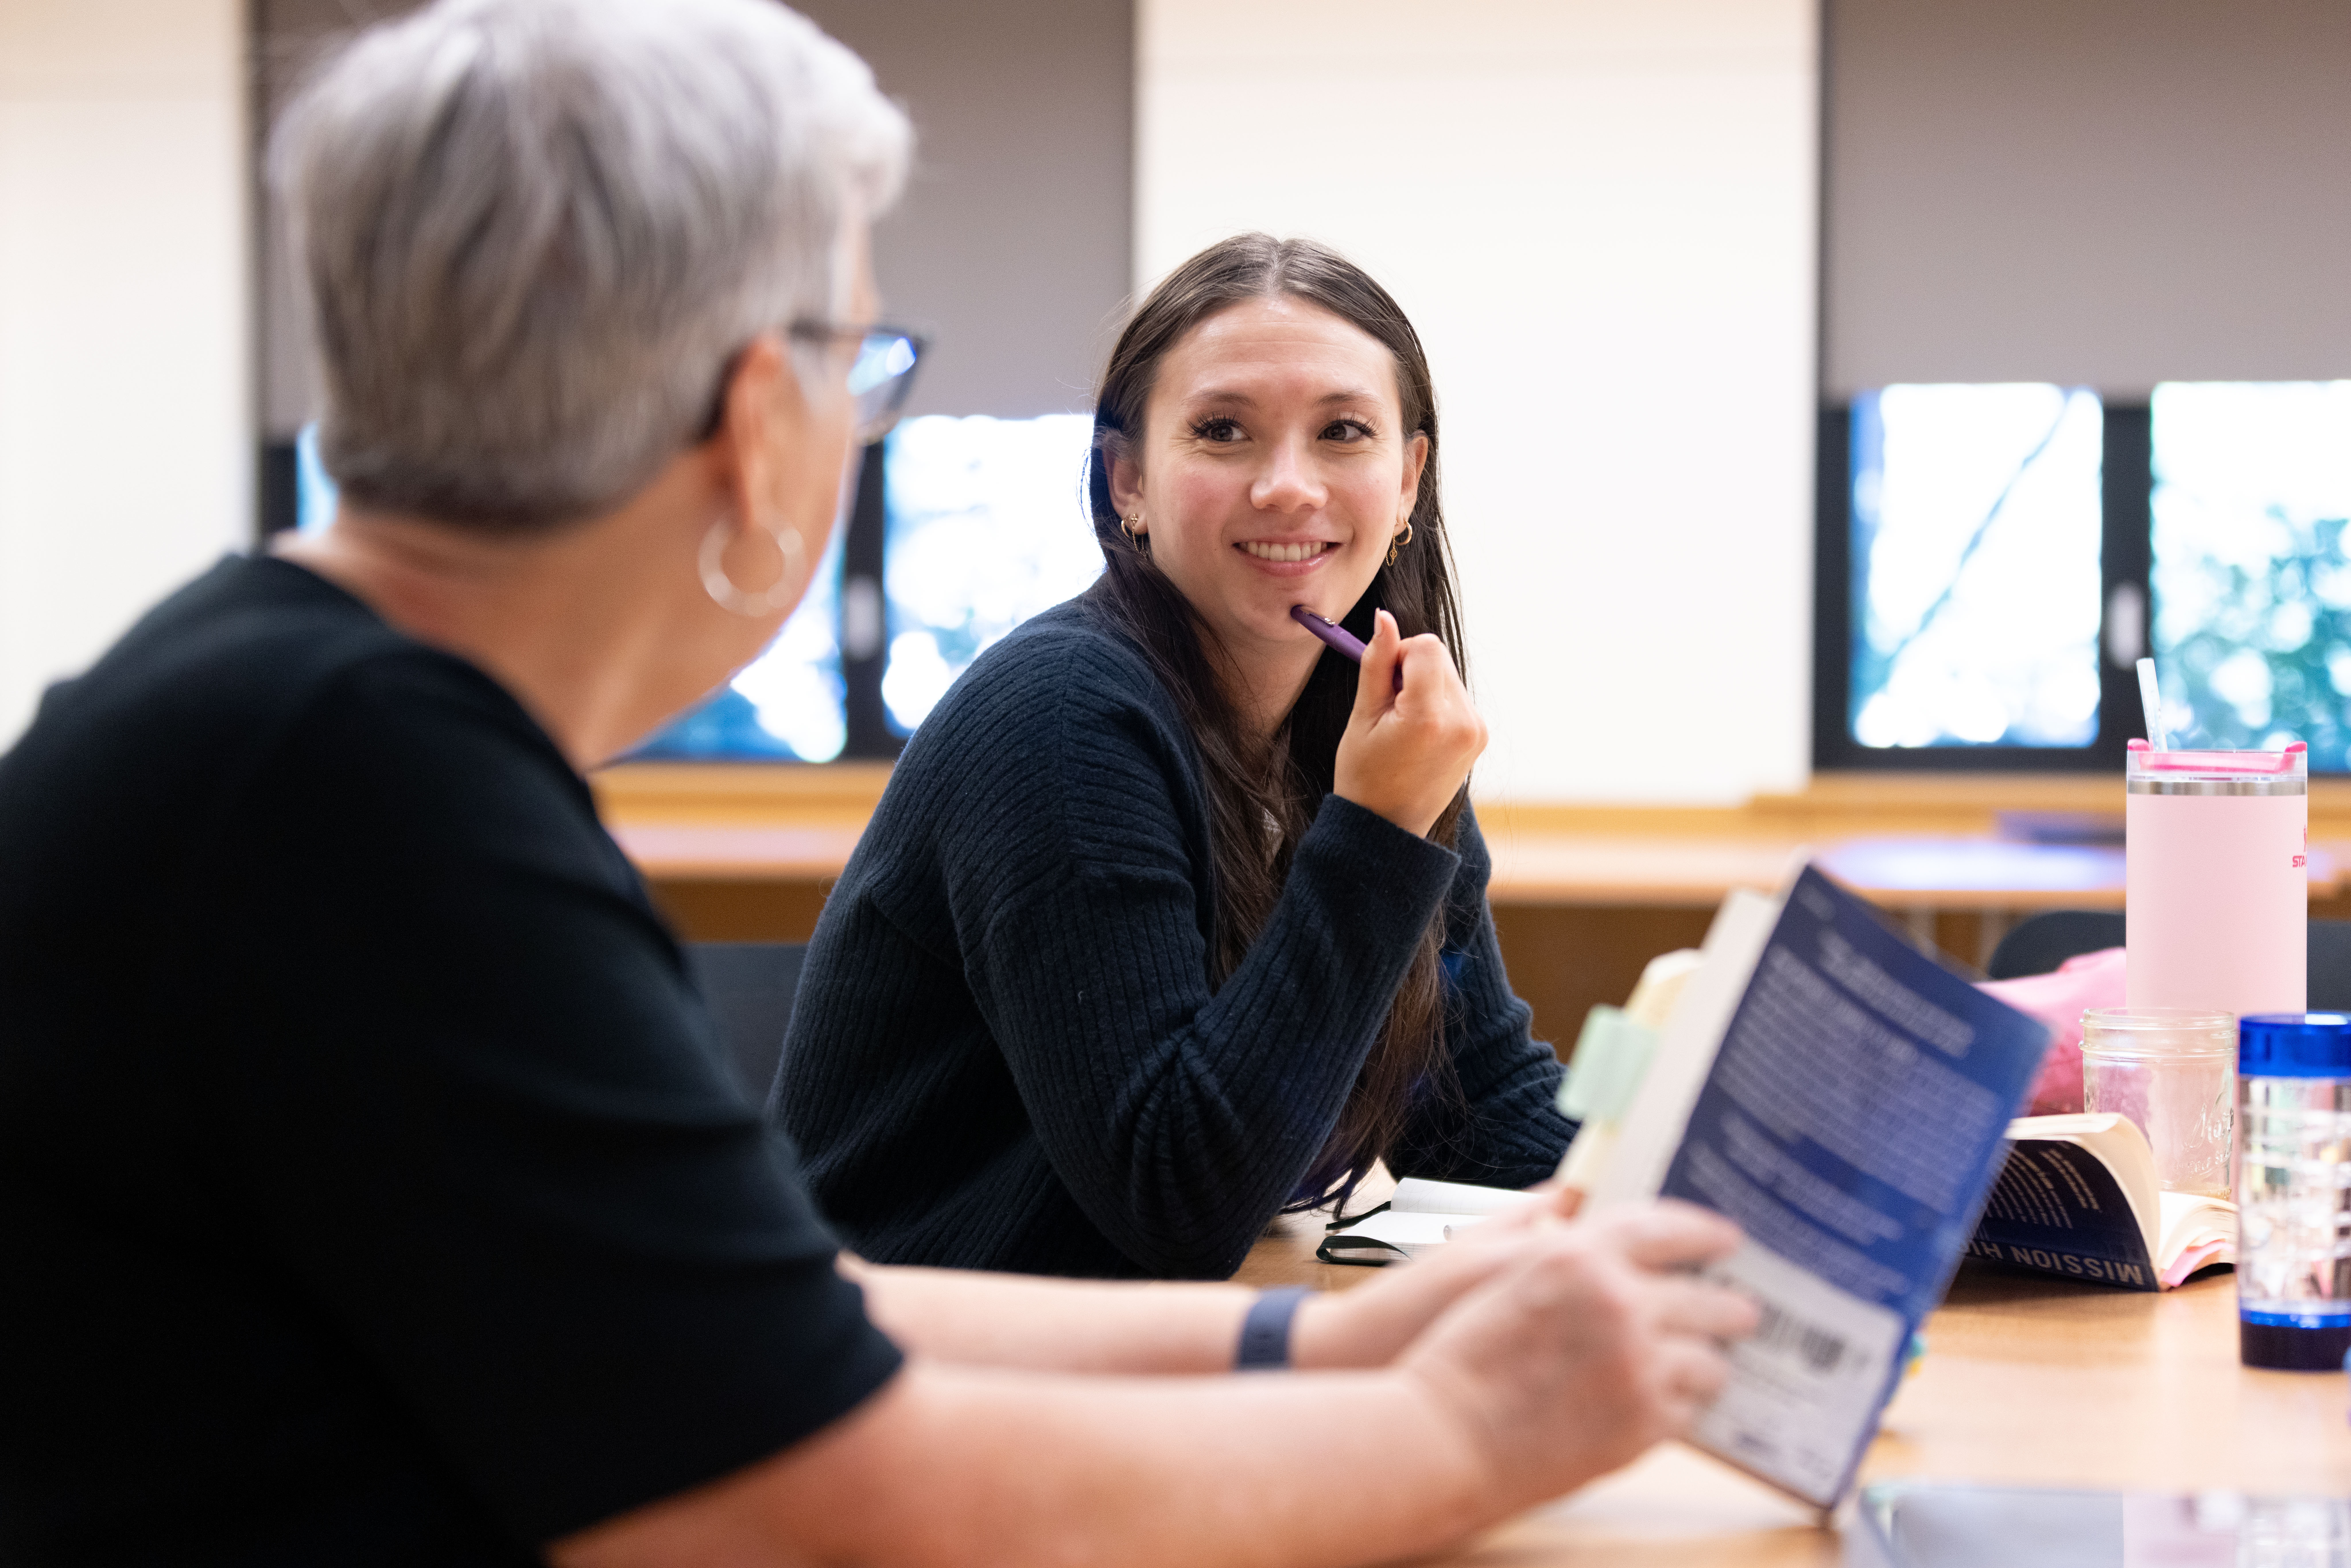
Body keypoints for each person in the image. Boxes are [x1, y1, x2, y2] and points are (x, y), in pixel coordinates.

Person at [0, 1, 1755, 1563]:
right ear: (765, 416)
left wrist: (1333, 1344)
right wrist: (1464, 1428)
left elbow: (790, 1318)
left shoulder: (293, 727)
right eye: (865, 362)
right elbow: (802, 1490)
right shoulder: (367, 800)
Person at [775, 232, 1575, 1279]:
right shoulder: (1058, 717)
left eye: (1343, 431)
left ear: (1409, 479)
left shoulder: (1370, 727)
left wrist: (1706, 1213)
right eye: (1223, 431)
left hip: (1124, 1343)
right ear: (1128, 483)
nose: (1289, 487)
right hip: (915, 1367)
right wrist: (1375, 835)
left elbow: (1471, 1102)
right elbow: (1177, 1200)